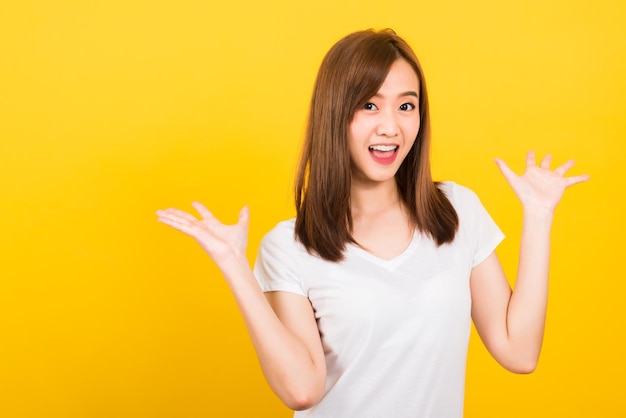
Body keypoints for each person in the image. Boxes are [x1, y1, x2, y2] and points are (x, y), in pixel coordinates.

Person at [156, 29, 589, 418]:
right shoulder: (289, 246)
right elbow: (302, 391)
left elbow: (520, 351)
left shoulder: (457, 212)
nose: (391, 126)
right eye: (368, 105)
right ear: (335, 115)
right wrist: (234, 264)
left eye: (406, 106)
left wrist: (538, 216)